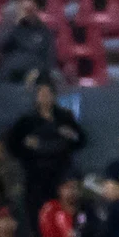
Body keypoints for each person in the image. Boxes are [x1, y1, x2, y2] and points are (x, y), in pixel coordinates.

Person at [5, 81, 85, 219]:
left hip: (60, 172)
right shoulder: (27, 120)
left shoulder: (64, 117)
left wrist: (71, 135)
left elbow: (81, 140)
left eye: (48, 94)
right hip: (36, 173)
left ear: (54, 96)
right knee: (37, 212)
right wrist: (26, 146)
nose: (44, 97)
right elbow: (12, 143)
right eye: (41, 94)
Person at [0, 0, 58, 86]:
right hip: (12, 70)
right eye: (25, 10)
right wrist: (14, 23)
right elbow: (0, 47)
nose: (28, 13)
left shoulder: (44, 31)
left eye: (31, 10)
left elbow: (49, 57)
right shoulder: (13, 29)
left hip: (36, 71)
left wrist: (40, 71)